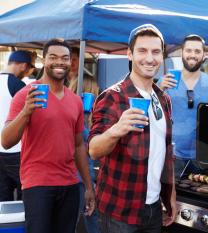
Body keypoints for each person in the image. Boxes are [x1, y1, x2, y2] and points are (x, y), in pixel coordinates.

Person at [88, 24, 176, 233]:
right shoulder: (113, 97)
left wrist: (170, 195)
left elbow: (165, 151)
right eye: (142, 51)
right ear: (129, 54)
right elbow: (93, 149)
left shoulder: (163, 99)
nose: (149, 58)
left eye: (155, 52)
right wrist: (116, 130)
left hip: (153, 208)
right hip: (120, 210)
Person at [1, 39, 95, 233]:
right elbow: (6, 141)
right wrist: (26, 111)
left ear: (71, 63)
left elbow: (78, 146)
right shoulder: (26, 94)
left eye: (64, 58)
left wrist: (88, 186)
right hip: (38, 184)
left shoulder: (75, 101)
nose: (59, 62)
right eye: (53, 57)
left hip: (69, 184)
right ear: (44, 61)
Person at [158, 34, 208, 179]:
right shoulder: (165, 82)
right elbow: (154, 114)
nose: (192, 55)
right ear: (182, 52)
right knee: (171, 198)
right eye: (188, 51)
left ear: (204, 55)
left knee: (201, 198)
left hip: (204, 155)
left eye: (197, 51)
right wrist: (159, 90)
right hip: (172, 154)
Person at [0, 50, 34, 201]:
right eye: (27, 70)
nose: (26, 74)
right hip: (16, 150)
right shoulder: (18, 85)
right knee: (24, 197)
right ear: (23, 66)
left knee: (3, 201)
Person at [69, 76, 101, 233]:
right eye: (94, 94)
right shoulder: (79, 120)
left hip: (78, 179)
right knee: (90, 219)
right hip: (80, 180)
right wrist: (91, 186)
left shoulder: (83, 118)